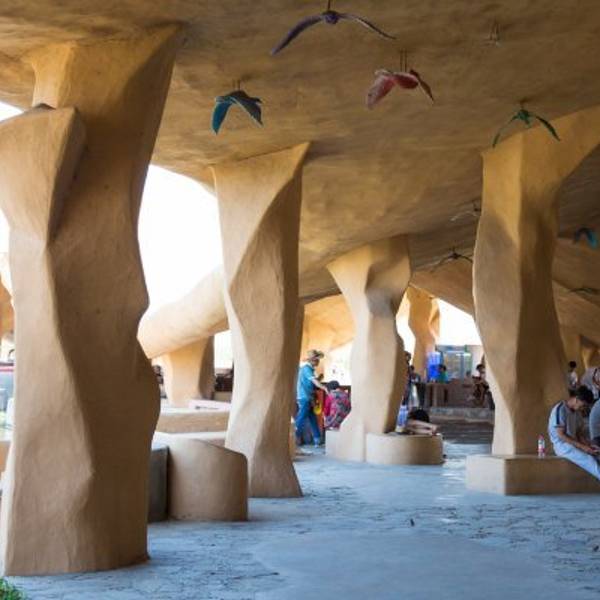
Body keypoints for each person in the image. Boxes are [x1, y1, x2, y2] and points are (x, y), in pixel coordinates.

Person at [548, 386, 600, 480]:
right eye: (583, 405)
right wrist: (582, 447)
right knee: (589, 460)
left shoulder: (577, 413)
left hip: (573, 443)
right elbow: (561, 435)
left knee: (596, 456)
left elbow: (579, 433)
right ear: (576, 399)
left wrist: (589, 446)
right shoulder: (560, 409)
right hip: (562, 445)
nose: (583, 408)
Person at [295, 349, 328, 446]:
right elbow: (314, 382)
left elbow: (311, 383)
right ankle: (293, 436)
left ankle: (317, 439)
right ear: (312, 360)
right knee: (301, 418)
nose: (318, 361)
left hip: (308, 397)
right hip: (304, 397)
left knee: (312, 418)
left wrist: (319, 379)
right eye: (317, 359)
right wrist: (324, 387)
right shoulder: (307, 369)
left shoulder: (308, 369)